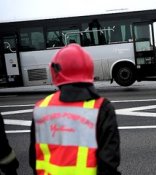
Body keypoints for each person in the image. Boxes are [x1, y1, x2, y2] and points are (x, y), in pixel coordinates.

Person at [29, 44, 121, 175]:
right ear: (89, 69)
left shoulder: (41, 108)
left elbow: (34, 159)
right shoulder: (102, 108)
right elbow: (108, 164)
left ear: (55, 71)